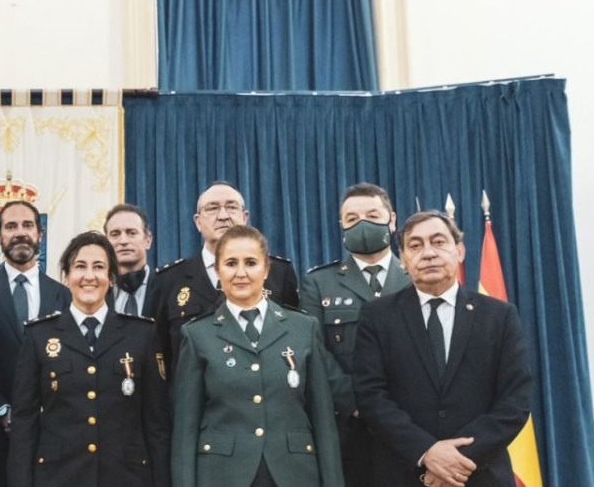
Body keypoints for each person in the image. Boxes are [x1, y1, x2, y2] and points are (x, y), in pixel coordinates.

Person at [353, 211, 532, 487]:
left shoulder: (499, 316)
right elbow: (371, 397)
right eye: (415, 245)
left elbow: (515, 401)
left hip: (480, 474)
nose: (428, 253)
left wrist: (456, 460)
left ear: (459, 251)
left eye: (439, 242)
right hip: (405, 474)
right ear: (402, 260)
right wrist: (426, 452)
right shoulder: (377, 317)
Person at [171, 225, 342, 487]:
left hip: (294, 473)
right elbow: (185, 429)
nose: (241, 273)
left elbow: (323, 421)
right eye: (230, 263)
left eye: (251, 263)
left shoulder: (303, 328)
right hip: (222, 474)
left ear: (266, 269)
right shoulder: (197, 335)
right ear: (217, 271)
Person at [8, 232, 170, 487]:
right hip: (59, 477)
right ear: (66, 276)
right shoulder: (39, 335)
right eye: (80, 267)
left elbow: (157, 423)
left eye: (99, 267)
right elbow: (24, 422)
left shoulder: (142, 334)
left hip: (127, 477)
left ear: (111, 278)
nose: (89, 276)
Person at [299, 183, 410, 486]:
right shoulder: (318, 283)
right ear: (341, 226)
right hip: (349, 428)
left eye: (373, 215)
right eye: (351, 219)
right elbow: (314, 352)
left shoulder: (417, 278)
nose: (362, 223)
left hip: (414, 425)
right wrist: (362, 404)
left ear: (392, 219)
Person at [0, 201, 71, 487]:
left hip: (55, 436)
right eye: (10, 226)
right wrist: (1, 410)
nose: (19, 233)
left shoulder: (65, 296)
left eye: (27, 225)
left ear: (40, 234)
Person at [155, 182, 299, 374]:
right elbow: (159, 354)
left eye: (231, 207)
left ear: (245, 217)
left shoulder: (279, 273)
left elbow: (293, 340)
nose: (223, 216)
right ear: (198, 222)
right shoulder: (169, 280)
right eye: (212, 208)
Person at [103, 204, 167, 318]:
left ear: (148, 240)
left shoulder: (168, 288)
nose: (123, 241)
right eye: (115, 234)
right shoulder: (98, 293)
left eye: (131, 233)